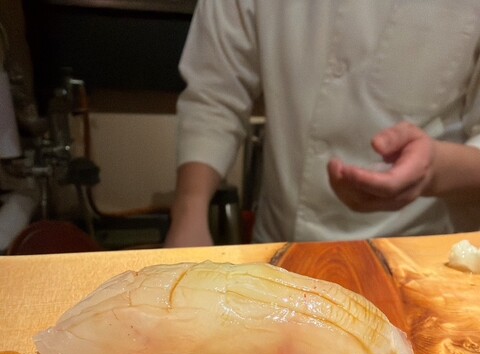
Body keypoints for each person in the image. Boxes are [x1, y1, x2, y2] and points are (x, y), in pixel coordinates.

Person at [164, 1, 480, 248]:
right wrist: (189, 211)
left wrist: (434, 168)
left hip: (415, 246)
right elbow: (215, 91)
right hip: (279, 240)